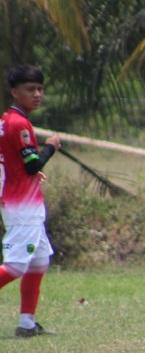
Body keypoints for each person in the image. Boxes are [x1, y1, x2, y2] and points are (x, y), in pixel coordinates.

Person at [0, 65, 61, 337]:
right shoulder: (19, 123)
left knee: (39, 262)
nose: (37, 94)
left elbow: (13, 161)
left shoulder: (7, 121)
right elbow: (31, 165)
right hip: (22, 207)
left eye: (39, 89)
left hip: (23, 201)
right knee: (15, 266)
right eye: (30, 89)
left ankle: (27, 324)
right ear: (14, 92)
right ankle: (26, 322)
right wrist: (51, 147)